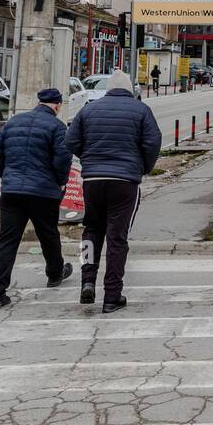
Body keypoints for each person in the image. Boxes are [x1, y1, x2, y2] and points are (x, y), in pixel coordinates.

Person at [65, 69, 162, 313]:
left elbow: (71, 141)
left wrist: (89, 159)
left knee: (91, 231)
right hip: (124, 182)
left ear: (109, 89)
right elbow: (152, 142)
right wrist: (143, 168)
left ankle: (87, 282)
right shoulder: (141, 110)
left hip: (93, 180)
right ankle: (112, 295)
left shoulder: (88, 109)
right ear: (130, 90)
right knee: (117, 238)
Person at [0, 88, 74, 310]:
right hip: (43, 192)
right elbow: (63, 158)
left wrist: (8, 175)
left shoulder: (14, 122)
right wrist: (59, 180)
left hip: (12, 192)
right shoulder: (57, 127)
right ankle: (55, 273)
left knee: (7, 240)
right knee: (48, 234)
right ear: (57, 105)